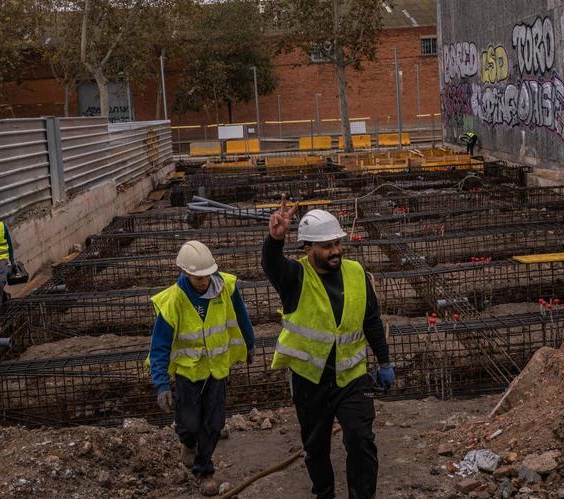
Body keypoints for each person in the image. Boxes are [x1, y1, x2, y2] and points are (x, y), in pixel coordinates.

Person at [263, 204, 394, 499]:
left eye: (337, 243)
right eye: (326, 246)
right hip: (310, 379)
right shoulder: (295, 277)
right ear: (308, 247)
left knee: (361, 440)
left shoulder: (356, 272)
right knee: (315, 446)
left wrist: (384, 361)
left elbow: (371, 319)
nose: (335, 250)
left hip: (351, 377)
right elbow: (271, 265)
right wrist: (275, 240)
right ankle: (324, 494)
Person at [148, 240, 255, 496]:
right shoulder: (173, 301)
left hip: (217, 369)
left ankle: (204, 471)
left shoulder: (226, 288)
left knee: (214, 423)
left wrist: (249, 343)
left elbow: (241, 316)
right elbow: (159, 345)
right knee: (189, 425)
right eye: (198, 277)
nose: (204, 281)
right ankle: (187, 443)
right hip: (189, 372)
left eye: (207, 275)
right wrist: (162, 383)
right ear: (184, 272)